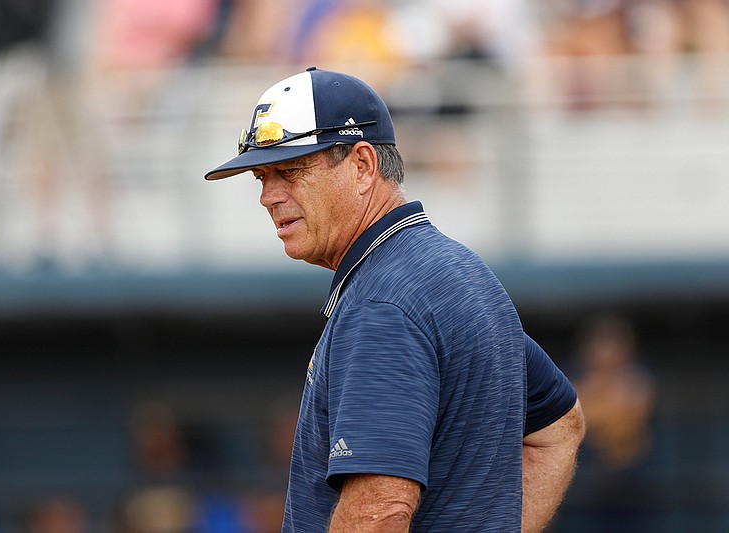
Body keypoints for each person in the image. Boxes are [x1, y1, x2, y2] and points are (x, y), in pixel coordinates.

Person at [205, 67, 585, 532]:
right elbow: (559, 428)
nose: (268, 195)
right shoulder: (458, 273)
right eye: (262, 176)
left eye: (289, 170)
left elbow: (380, 513)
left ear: (363, 166)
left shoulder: (382, 305)